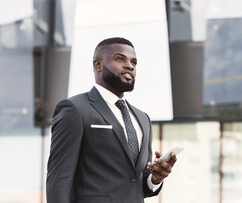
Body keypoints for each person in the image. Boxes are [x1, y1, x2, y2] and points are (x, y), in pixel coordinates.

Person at [46, 37, 176, 203]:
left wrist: (155, 178)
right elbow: (59, 180)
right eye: (120, 59)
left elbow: (136, 183)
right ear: (98, 65)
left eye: (134, 62)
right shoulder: (75, 109)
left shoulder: (143, 119)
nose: (130, 65)